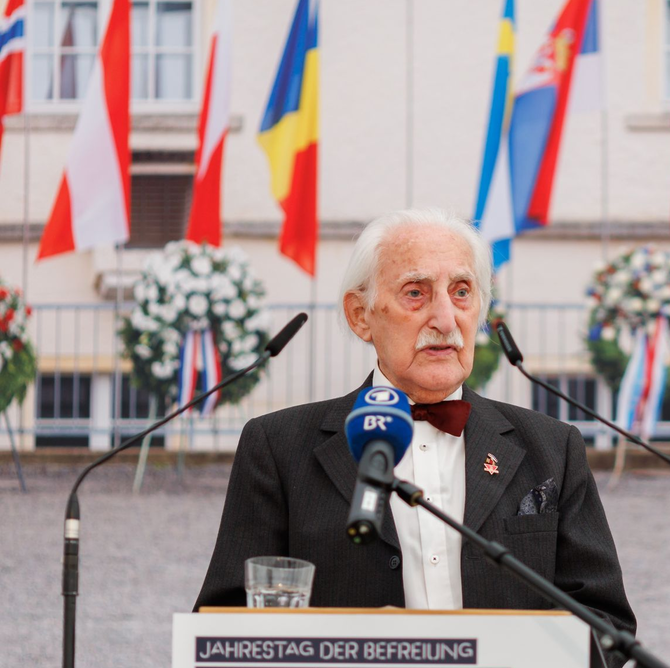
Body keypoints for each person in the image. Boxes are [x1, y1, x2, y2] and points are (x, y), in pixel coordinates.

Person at [195, 208, 635, 667]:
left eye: (461, 292)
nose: (445, 319)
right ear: (361, 316)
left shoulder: (553, 447)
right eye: (415, 293)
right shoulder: (278, 446)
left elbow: (606, 621)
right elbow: (225, 623)